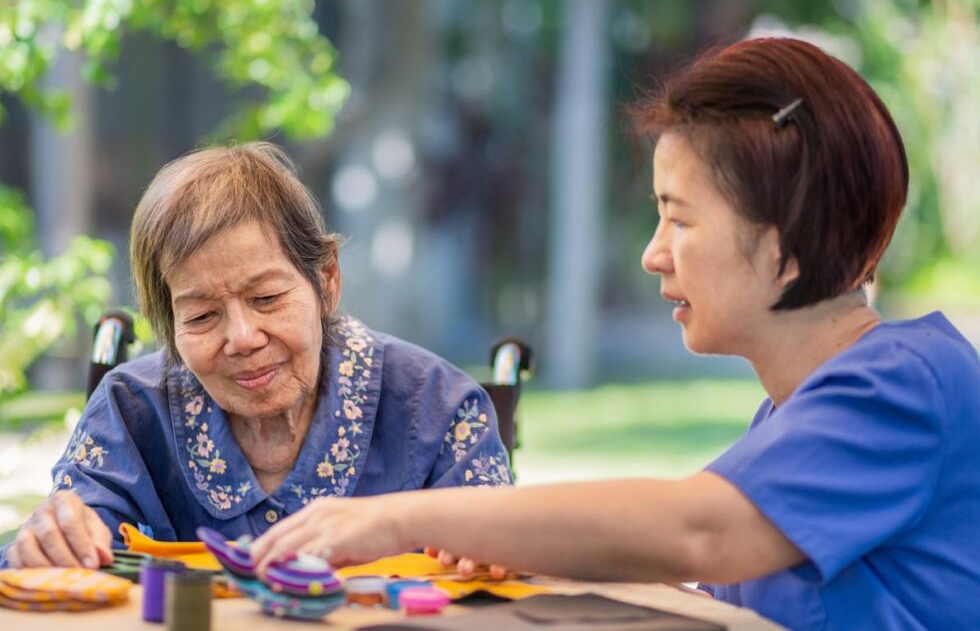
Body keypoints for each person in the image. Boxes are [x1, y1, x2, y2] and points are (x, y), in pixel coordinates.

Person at [250, 38, 980, 629]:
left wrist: (393, 519)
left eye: (680, 217)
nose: (653, 253)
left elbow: (701, 531)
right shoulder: (794, 419)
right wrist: (515, 542)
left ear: (787, 237)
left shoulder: (909, 385)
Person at [0, 142, 512, 571]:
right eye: (201, 317)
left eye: (266, 299)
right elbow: (45, 560)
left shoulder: (438, 408)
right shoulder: (131, 411)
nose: (241, 337)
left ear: (326, 280)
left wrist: (488, 551)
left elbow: (505, 561)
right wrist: (50, 542)